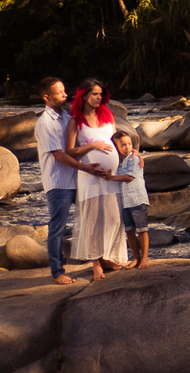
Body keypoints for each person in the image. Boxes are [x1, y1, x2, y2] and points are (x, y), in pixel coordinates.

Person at [34, 77, 110, 284]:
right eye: (59, 92)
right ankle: (57, 272)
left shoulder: (67, 117)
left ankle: (101, 259)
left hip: (78, 179)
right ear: (46, 97)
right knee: (58, 227)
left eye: (64, 91)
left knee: (93, 217)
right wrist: (86, 168)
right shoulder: (45, 123)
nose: (65, 95)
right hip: (58, 182)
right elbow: (58, 154)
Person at [64, 78, 129, 281]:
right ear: (83, 96)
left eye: (100, 94)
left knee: (113, 217)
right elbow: (70, 151)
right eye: (94, 94)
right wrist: (93, 145)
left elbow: (118, 141)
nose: (98, 97)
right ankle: (96, 263)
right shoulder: (76, 121)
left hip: (111, 177)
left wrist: (133, 153)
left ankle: (108, 257)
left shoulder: (108, 116)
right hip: (89, 177)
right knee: (93, 218)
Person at [109, 130, 150, 269]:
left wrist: (111, 178)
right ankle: (136, 258)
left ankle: (145, 257)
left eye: (129, 144)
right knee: (129, 231)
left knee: (142, 229)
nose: (127, 147)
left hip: (137, 199)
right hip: (125, 202)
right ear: (116, 147)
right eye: (123, 145)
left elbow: (129, 177)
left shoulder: (134, 158)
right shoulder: (117, 161)